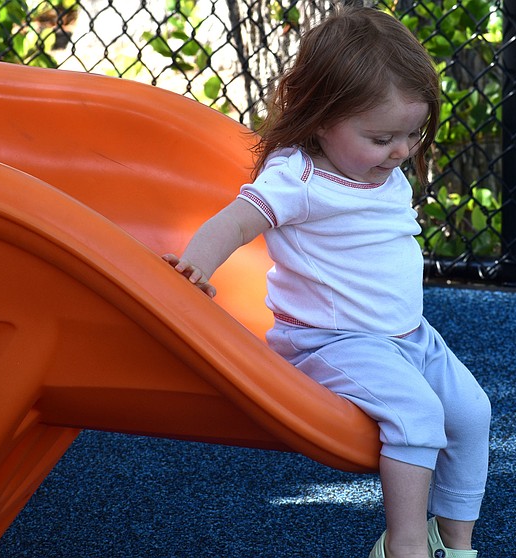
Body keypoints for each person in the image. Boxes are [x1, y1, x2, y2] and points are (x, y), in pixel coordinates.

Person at [162, 5, 491, 558]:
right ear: (320, 117)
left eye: (412, 134)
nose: (402, 151)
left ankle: (454, 542)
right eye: (383, 136)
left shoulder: (378, 164)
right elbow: (234, 222)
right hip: (331, 342)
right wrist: (194, 269)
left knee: (472, 412)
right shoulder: (299, 178)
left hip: (408, 336)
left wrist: (383, 144)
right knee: (419, 416)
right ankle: (404, 545)